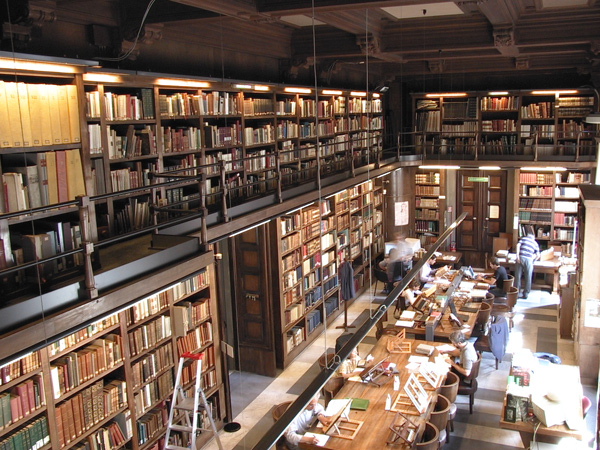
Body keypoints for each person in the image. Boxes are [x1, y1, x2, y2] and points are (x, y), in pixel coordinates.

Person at [515, 231, 540, 299]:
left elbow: (518, 245)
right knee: (528, 277)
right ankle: (526, 293)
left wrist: (517, 255)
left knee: (518, 276)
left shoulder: (523, 239)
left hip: (520, 258)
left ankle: (516, 292)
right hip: (529, 260)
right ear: (533, 237)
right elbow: (538, 255)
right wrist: (533, 260)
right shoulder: (535, 243)